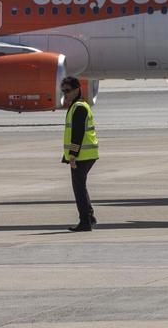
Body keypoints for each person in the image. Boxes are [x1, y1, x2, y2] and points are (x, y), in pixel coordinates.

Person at [61, 76, 99, 232]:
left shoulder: (79, 107)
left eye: (68, 91)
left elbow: (78, 132)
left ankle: (85, 221)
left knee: (79, 189)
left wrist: (72, 155)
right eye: (63, 91)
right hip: (85, 154)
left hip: (82, 155)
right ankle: (89, 217)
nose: (65, 94)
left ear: (77, 89)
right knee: (80, 187)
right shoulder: (78, 105)